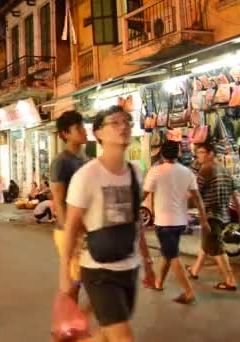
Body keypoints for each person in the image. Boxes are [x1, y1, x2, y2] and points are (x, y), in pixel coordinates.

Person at [59, 106, 155, 342]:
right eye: (115, 122)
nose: (123, 127)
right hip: (99, 270)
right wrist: (64, 273)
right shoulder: (86, 175)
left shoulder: (135, 173)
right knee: (123, 338)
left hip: (129, 267)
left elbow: (135, 222)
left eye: (127, 122)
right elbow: (70, 226)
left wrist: (147, 260)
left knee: (105, 334)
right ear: (99, 133)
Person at [143, 140, 210, 304]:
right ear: (179, 153)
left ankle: (188, 292)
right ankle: (158, 283)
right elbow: (197, 198)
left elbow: (144, 194)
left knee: (172, 255)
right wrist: (204, 220)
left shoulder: (155, 171)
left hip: (164, 223)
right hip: (180, 222)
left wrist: (129, 211)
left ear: (162, 154)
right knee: (168, 252)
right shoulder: (187, 172)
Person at [187, 143, 240, 291]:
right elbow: (235, 196)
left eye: (201, 152)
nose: (198, 155)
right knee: (207, 244)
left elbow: (194, 192)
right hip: (223, 214)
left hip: (211, 215)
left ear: (210, 153)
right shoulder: (225, 170)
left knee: (217, 247)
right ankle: (194, 271)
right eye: (197, 152)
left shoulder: (206, 170)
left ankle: (230, 280)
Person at [50, 110, 88, 302]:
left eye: (83, 126)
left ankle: (71, 322)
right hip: (68, 230)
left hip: (84, 229)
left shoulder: (84, 160)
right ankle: (68, 324)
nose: (83, 130)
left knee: (80, 280)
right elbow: (59, 200)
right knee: (73, 282)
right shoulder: (61, 162)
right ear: (65, 134)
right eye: (78, 128)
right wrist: (68, 235)